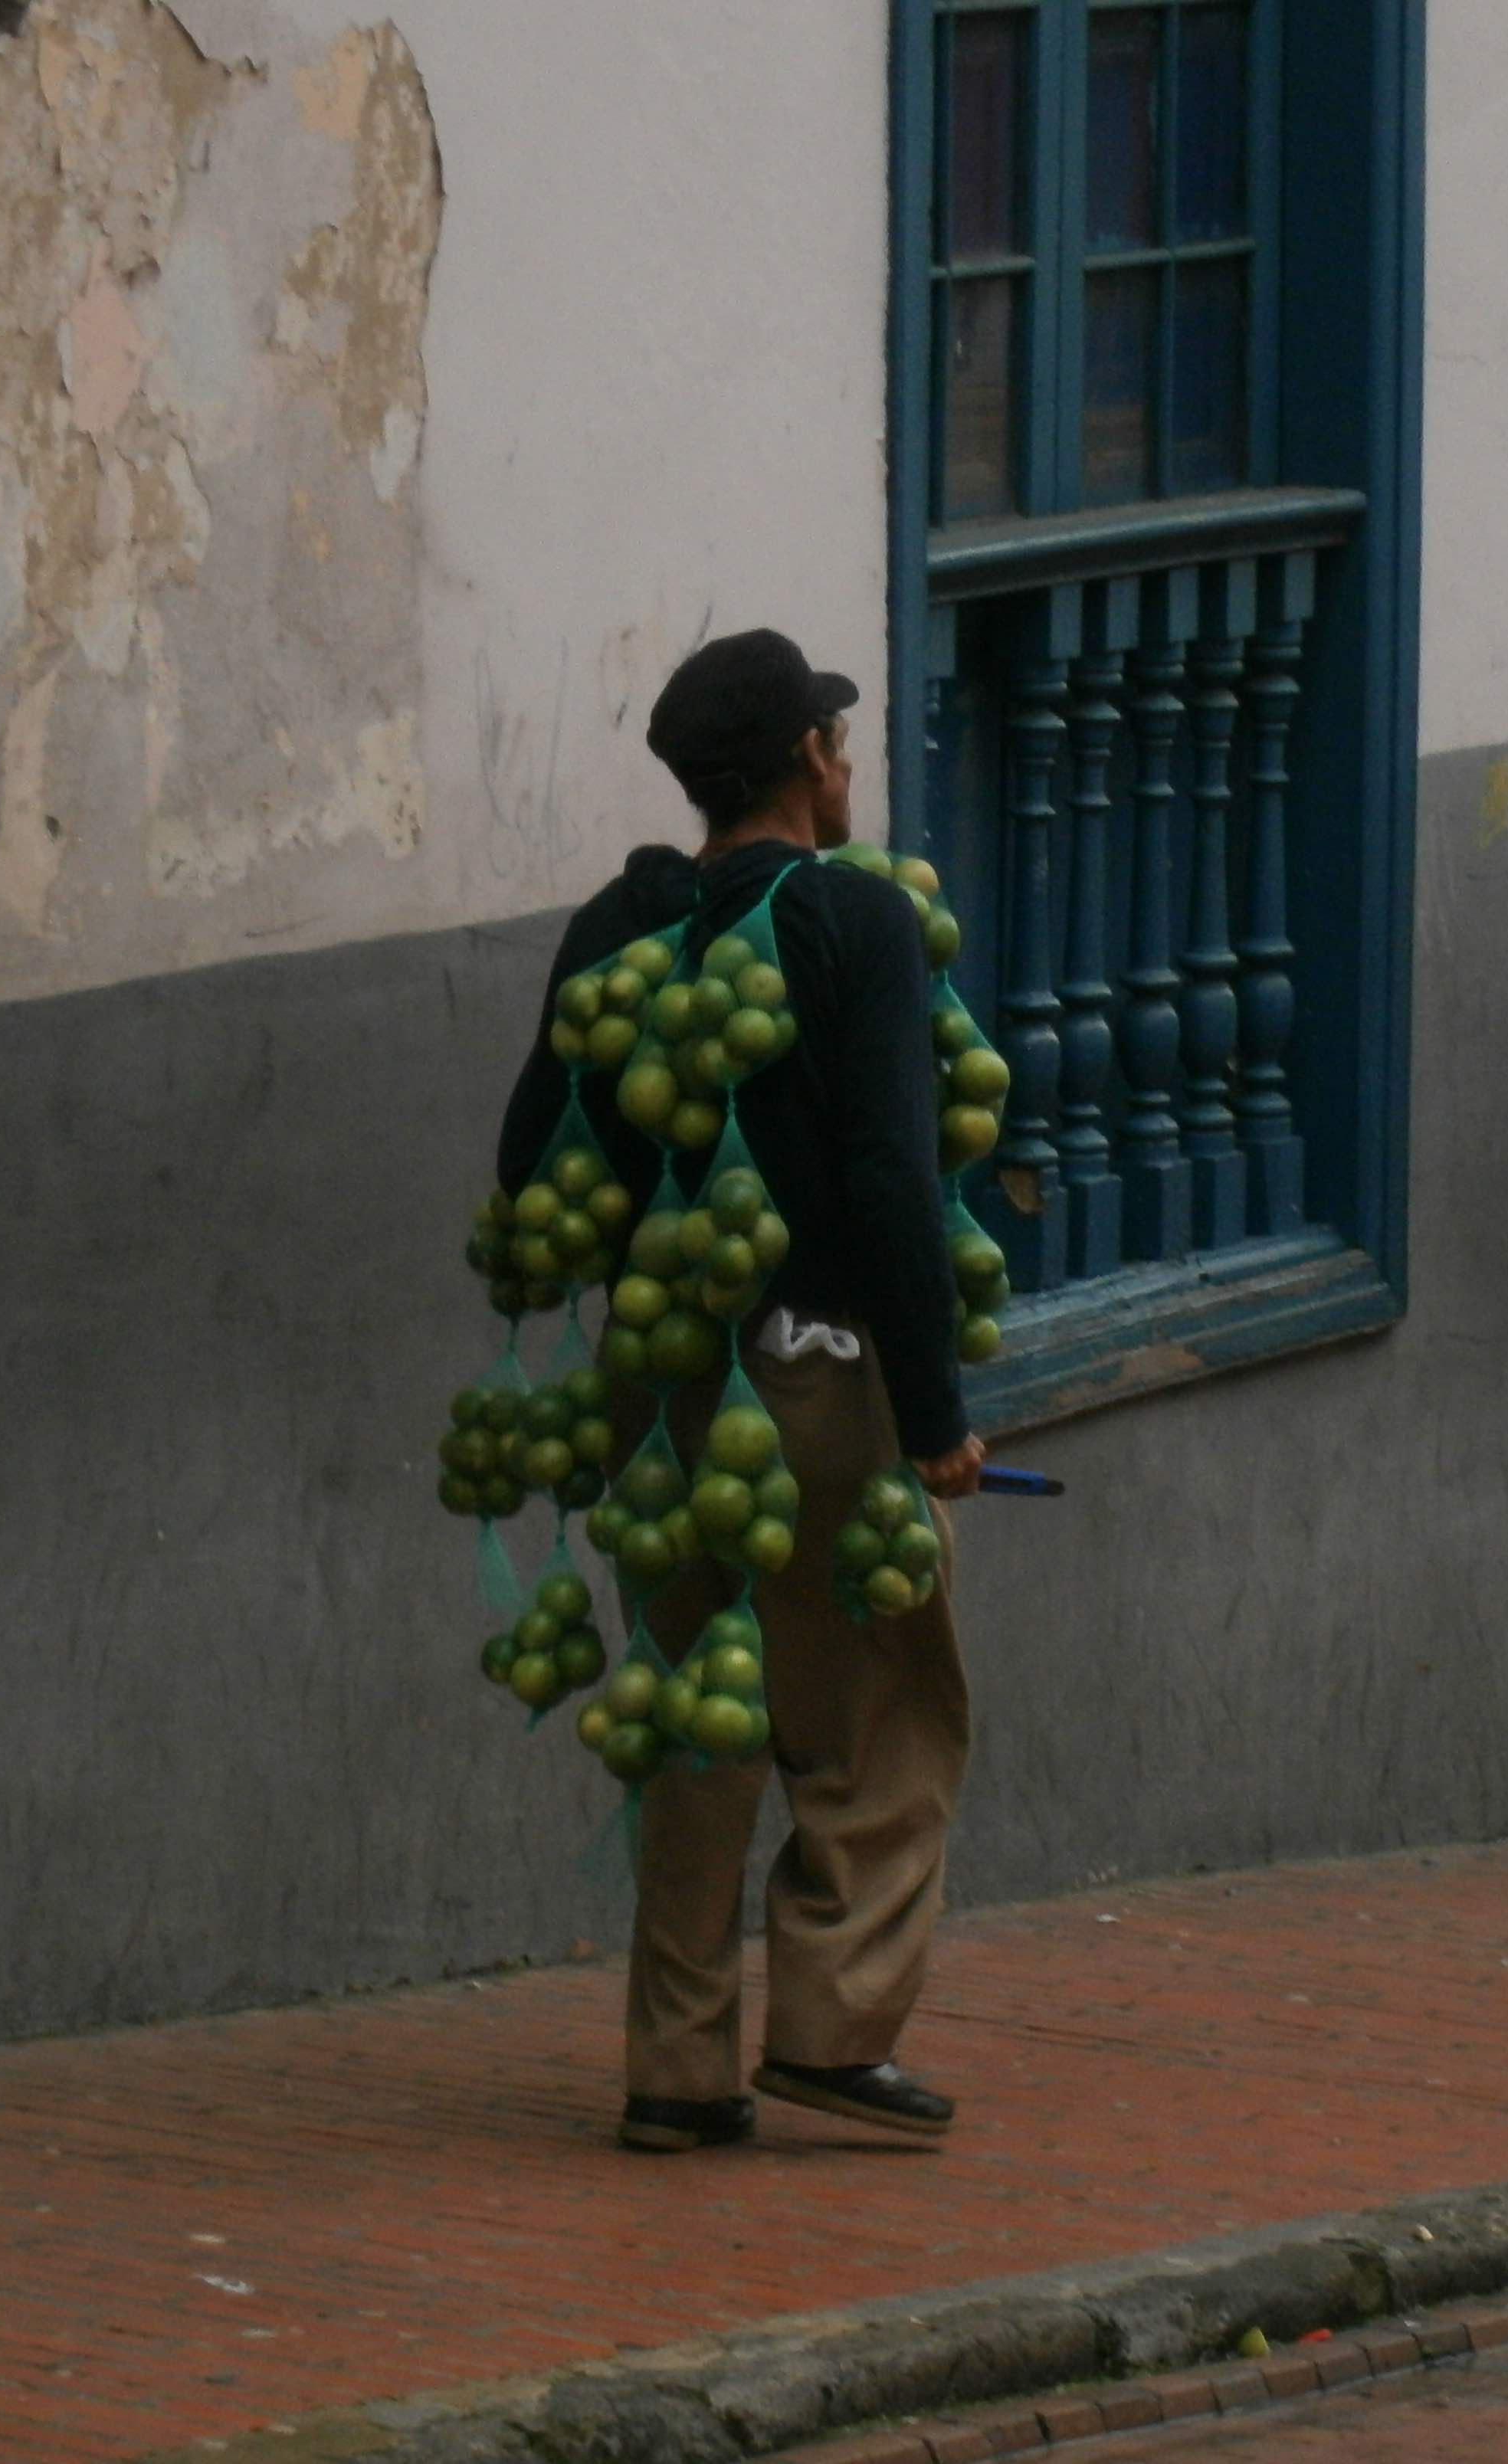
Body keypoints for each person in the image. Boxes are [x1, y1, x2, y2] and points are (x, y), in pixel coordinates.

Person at [493, 628, 986, 2152]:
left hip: (659, 1391)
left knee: (697, 1710)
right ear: (811, 763)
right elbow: (895, 1179)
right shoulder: (853, 925)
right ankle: (831, 2033)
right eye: (836, 740)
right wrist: (937, 1407)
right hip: (815, 1382)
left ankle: (677, 2070)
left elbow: (531, 1168)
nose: (847, 762)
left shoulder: (617, 927)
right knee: (880, 1715)